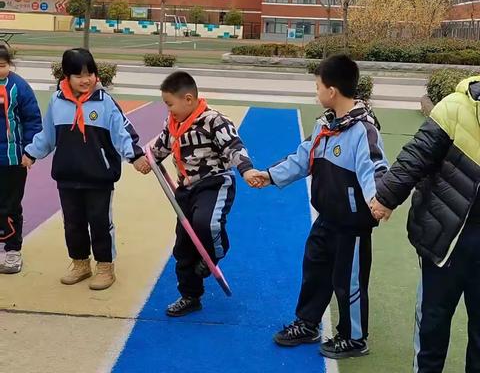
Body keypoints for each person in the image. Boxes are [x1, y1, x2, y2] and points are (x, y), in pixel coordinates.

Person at [253, 55, 389, 359]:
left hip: (352, 224)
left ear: (332, 91)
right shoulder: (325, 125)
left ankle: (354, 337)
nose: (316, 93)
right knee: (314, 269)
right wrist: (271, 175)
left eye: (317, 86)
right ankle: (308, 323)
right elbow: (303, 158)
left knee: (348, 280)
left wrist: (378, 199)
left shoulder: (362, 130)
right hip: (326, 218)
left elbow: (375, 169)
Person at [371, 75, 480, 373]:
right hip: (445, 241)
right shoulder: (456, 108)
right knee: (432, 323)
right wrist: (386, 196)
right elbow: (417, 155)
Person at [22, 48, 149, 290]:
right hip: (68, 176)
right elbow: (48, 136)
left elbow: (121, 134)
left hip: (99, 178)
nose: (86, 79)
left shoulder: (105, 103)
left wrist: (136, 156)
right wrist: (31, 153)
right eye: (79, 75)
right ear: (66, 77)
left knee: (100, 222)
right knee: (73, 223)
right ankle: (80, 263)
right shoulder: (57, 102)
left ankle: (105, 266)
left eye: (90, 73)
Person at [152, 71, 259, 316]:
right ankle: (190, 296)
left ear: (188, 99)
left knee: (206, 223)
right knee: (183, 246)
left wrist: (247, 170)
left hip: (214, 182)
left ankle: (217, 251)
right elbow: (161, 147)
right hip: (186, 188)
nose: (169, 110)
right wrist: (145, 160)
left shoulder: (214, 120)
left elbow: (234, 147)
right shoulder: (173, 123)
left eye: (170, 104)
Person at [0, 45, 42, 274]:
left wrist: (30, 151)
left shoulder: (20, 87)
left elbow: (33, 120)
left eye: (2, 66)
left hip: (13, 160)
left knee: (10, 206)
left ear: (10, 65)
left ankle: (13, 251)